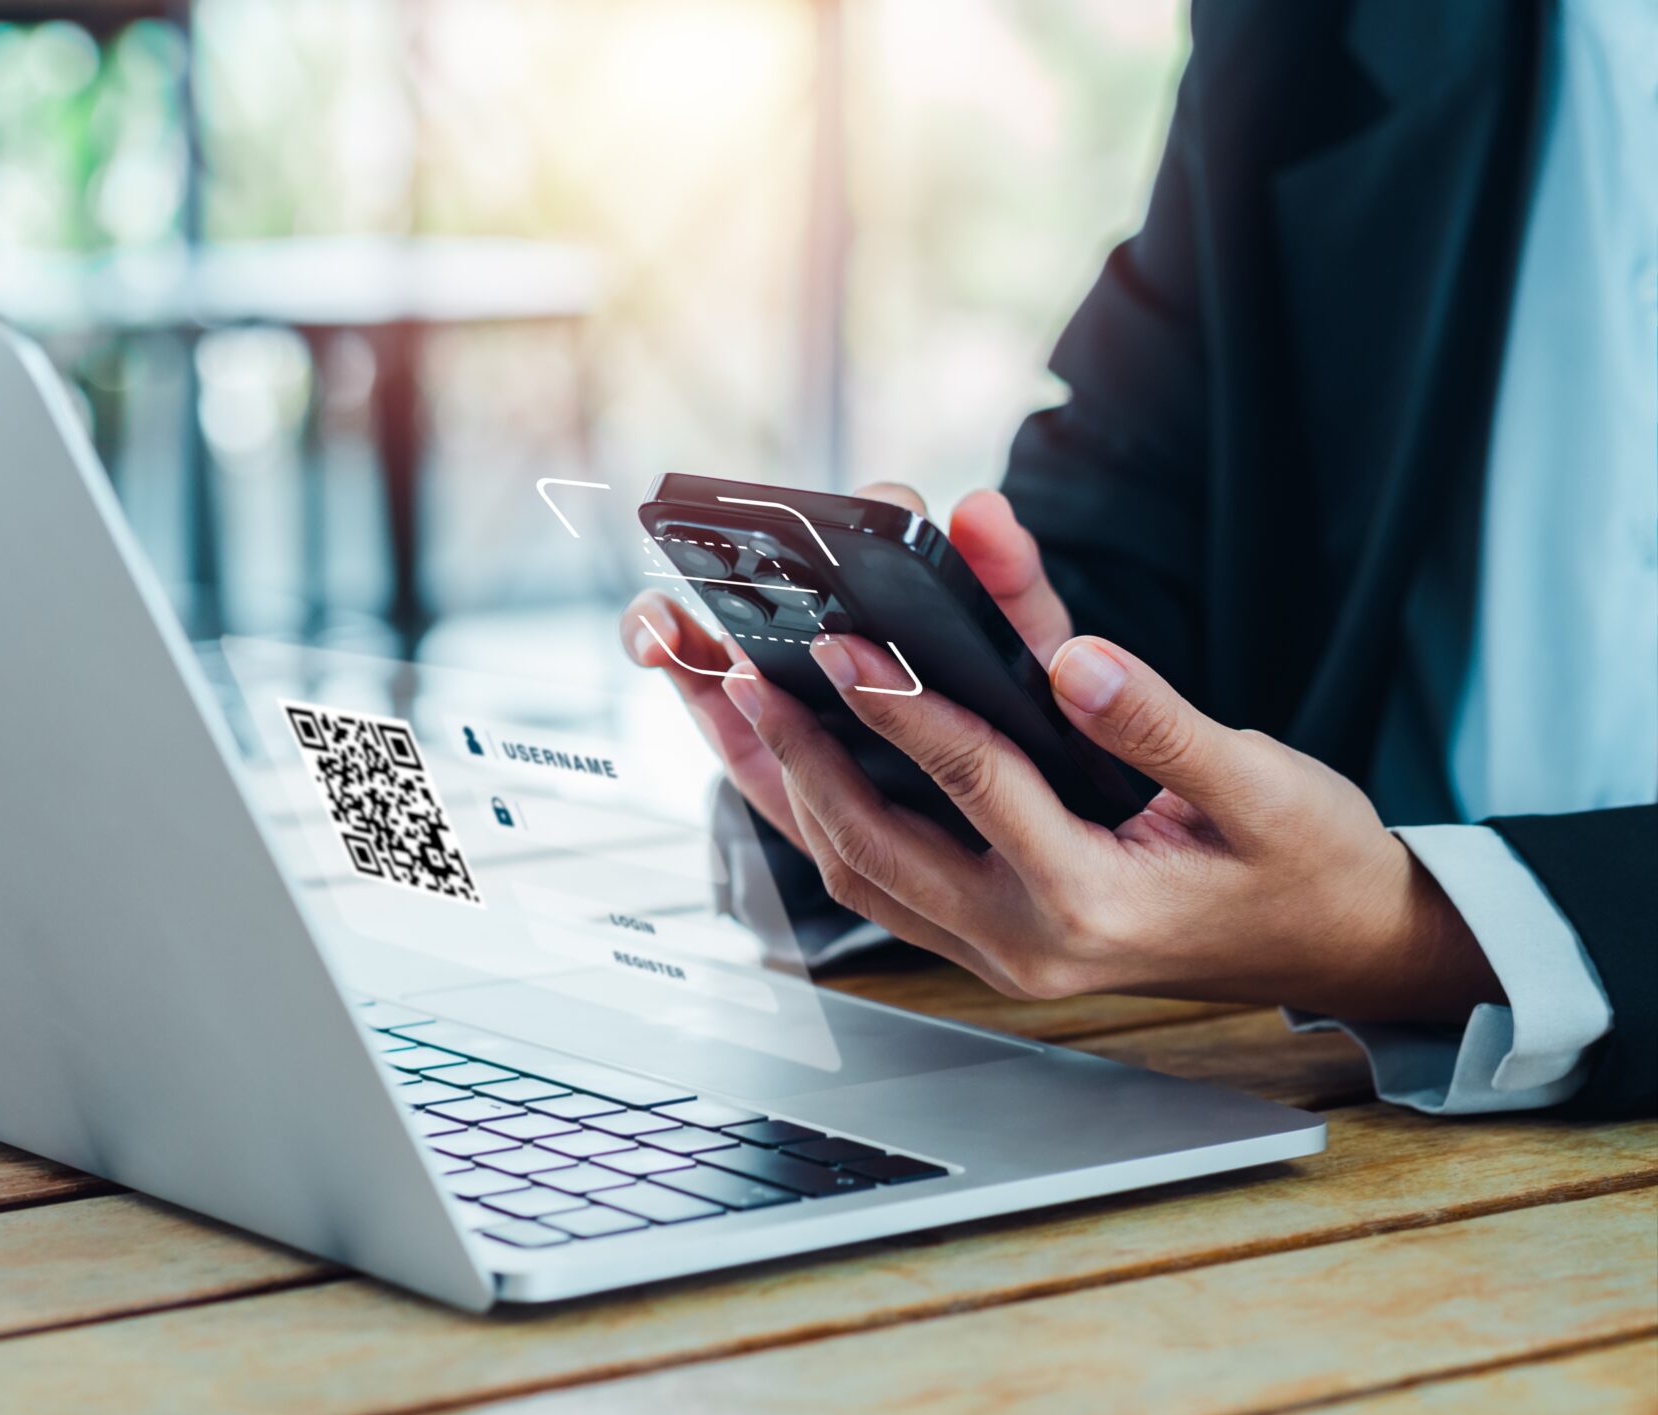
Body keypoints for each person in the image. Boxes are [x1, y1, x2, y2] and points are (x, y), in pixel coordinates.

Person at [620, 0, 1655, 1118]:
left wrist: (1414, 931)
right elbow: (1127, 532)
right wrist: (904, 756)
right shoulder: (1315, 29)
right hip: (1296, 1103)